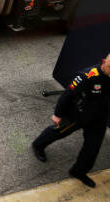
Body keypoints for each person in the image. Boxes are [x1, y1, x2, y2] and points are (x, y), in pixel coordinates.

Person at [31, 53, 110, 188]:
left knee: (92, 148)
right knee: (59, 131)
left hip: (99, 119)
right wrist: (57, 114)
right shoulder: (87, 76)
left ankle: (79, 171)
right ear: (103, 62)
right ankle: (38, 145)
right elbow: (68, 94)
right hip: (78, 114)